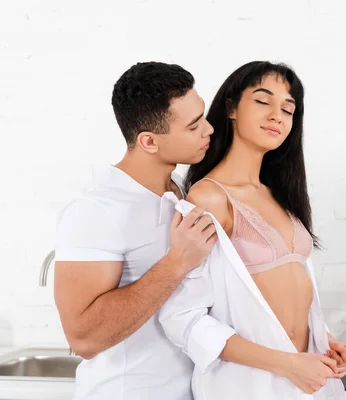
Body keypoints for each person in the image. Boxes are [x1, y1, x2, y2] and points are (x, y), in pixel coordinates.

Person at [159, 61, 346, 400]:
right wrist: (286, 364)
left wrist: (324, 340)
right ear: (232, 107)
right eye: (263, 101)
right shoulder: (210, 197)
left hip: (308, 382)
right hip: (252, 386)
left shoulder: (280, 196)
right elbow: (182, 317)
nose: (277, 115)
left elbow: (279, 298)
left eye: (288, 108)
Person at [53, 61, 219, 400]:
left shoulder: (183, 190)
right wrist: (176, 264)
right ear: (148, 141)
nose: (209, 129)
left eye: (202, 115)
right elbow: (83, 338)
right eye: (193, 126)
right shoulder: (95, 209)